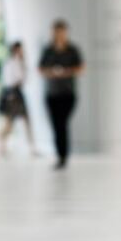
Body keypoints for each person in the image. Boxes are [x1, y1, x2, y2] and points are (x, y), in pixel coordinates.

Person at [39, 19, 84, 170]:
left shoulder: (72, 50)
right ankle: (60, 156)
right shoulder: (48, 50)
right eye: (56, 31)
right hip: (52, 94)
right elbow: (40, 69)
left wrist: (66, 72)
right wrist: (52, 72)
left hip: (68, 93)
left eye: (61, 31)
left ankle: (63, 156)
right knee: (56, 125)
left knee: (62, 124)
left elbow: (80, 68)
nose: (58, 34)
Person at [0, 42, 38, 157]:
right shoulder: (11, 63)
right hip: (12, 94)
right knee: (9, 123)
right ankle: (1, 145)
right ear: (15, 50)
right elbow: (13, 80)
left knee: (26, 121)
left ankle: (32, 148)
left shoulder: (19, 63)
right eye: (20, 50)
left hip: (17, 93)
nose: (22, 52)